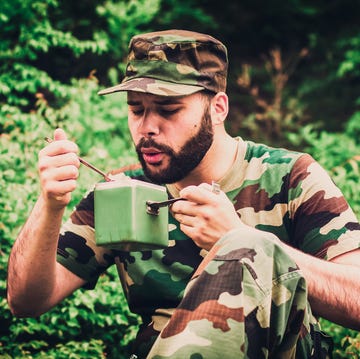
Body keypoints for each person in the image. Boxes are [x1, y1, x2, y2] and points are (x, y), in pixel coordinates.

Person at [7, 29, 360, 359]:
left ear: (218, 108)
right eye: (136, 110)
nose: (147, 127)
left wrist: (243, 241)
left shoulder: (289, 177)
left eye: (169, 110)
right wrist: (49, 204)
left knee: (252, 247)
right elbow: (26, 301)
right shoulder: (122, 193)